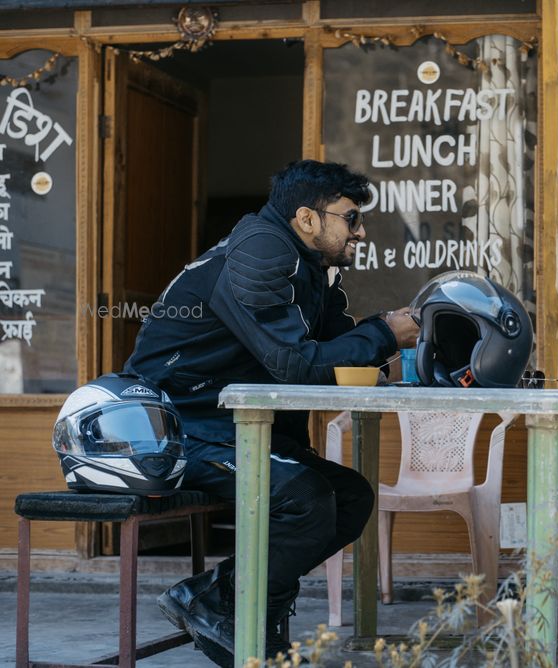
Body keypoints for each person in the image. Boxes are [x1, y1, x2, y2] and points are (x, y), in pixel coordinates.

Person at [124, 159, 419, 666]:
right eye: (351, 218)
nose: (362, 230)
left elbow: (330, 348)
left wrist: (390, 337)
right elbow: (295, 365)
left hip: (234, 426)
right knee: (305, 498)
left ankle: (219, 599)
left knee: (350, 496)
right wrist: (386, 333)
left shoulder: (308, 267)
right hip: (176, 430)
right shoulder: (260, 252)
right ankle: (240, 620)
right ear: (308, 218)